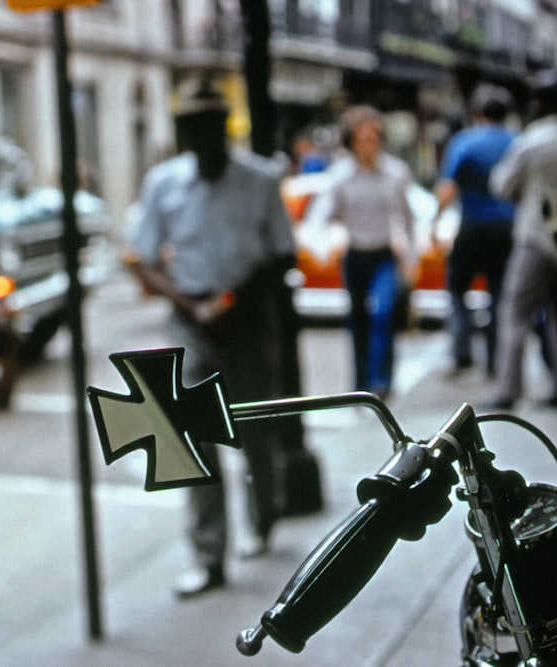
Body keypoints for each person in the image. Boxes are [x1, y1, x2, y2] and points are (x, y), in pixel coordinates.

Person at [128, 77, 296, 599]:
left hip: (247, 316)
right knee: (190, 438)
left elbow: (283, 254)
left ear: (224, 128)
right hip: (191, 319)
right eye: (191, 127)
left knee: (253, 429)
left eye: (210, 125)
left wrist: (231, 301)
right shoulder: (163, 183)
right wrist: (192, 305)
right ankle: (208, 555)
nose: (202, 137)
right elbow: (144, 260)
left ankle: (264, 516)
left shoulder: (260, 179)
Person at [307, 105, 416, 399]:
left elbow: (407, 218)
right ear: (351, 141)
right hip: (355, 255)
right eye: (363, 138)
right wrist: (325, 248)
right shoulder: (340, 177)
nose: (370, 144)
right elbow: (319, 217)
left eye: (374, 137)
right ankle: (361, 383)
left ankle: (382, 380)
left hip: (383, 255)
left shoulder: (395, 173)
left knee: (383, 315)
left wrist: (410, 257)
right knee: (358, 321)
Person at [432, 84, 516, 376]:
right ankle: (496, 359)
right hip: (508, 229)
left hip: (473, 226)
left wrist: (435, 221)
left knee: (457, 288)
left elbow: (446, 188)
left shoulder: (464, 142)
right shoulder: (517, 142)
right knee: (500, 294)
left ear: (476, 113)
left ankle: (462, 352)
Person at [486, 69, 557, 410]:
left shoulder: (532, 139)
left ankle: (508, 390)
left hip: (535, 237)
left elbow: (502, 185)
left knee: (515, 313)